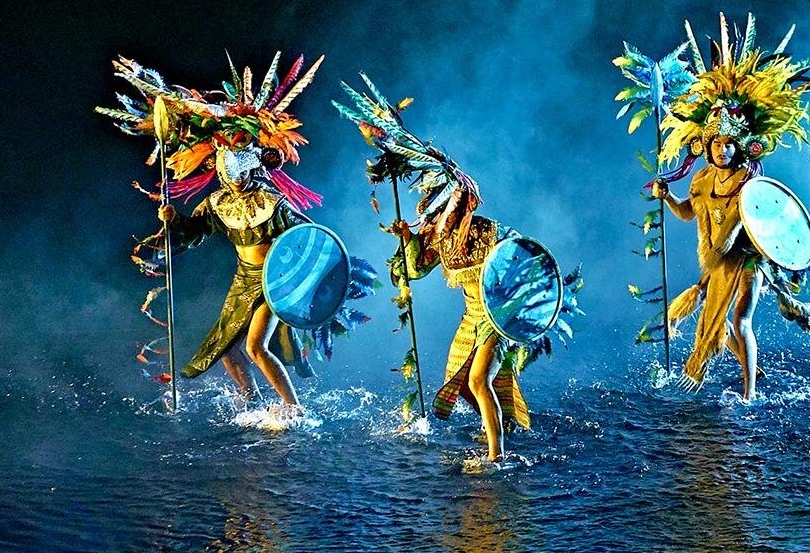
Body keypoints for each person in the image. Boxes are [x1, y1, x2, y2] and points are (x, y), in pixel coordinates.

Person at [338, 76, 580, 462]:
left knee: (479, 380)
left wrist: (524, 307)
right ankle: (500, 426)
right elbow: (414, 271)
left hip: (497, 317)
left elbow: (523, 263)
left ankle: (496, 456)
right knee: (463, 382)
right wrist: (407, 239)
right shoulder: (438, 239)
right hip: (472, 318)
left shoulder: (486, 231)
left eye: (440, 213)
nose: (436, 220)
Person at [101, 52, 346, 415]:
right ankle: (252, 401)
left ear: (250, 170)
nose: (235, 182)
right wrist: (173, 220)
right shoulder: (218, 203)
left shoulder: (271, 202)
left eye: (240, 175)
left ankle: (294, 409)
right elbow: (193, 232)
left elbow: (307, 240)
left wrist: (306, 279)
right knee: (226, 350)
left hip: (272, 280)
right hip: (243, 280)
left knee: (255, 347)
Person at [624, 16, 810, 397]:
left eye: (728, 144)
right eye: (717, 143)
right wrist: (667, 197)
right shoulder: (702, 180)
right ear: (707, 146)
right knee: (720, 321)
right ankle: (749, 370)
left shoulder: (751, 185)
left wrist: (740, 229)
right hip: (717, 263)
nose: (722, 150)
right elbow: (687, 213)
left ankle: (749, 393)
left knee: (739, 321)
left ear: (740, 147)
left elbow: (764, 224)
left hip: (748, 261)